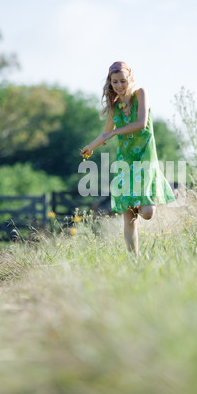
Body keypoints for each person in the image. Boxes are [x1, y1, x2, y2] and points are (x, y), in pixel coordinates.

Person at [80, 61, 176, 256]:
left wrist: (114, 134)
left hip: (145, 160)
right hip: (125, 162)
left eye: (122, 81)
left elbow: (141, 123)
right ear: (110, 83)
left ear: (130, 79)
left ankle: (139, 204)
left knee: (147, 213)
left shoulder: (141, 94)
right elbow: (105, 133)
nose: (119, 85)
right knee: (128, 217)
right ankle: (134, 259)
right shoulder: (114, 107)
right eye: (115, 82)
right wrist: (90, 147)